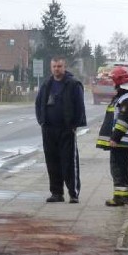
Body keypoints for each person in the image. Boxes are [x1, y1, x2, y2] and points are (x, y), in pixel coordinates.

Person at [34, 56, 87, 203]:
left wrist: (74, 125)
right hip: (49, 129)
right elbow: (38, 104)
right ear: (51, 68)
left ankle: (73, 193)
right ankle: (56, 193)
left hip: (66, 129)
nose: (56, 69)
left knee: (69, 161)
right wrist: (41, 121)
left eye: (59, 66)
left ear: (64, 67)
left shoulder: (73, 84)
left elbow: (79, 107)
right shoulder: (46, 84)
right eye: (54, 66)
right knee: (52, 161)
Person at [95, 66, 128, 206]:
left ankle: (120, 198)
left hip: (121, 142)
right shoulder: (123, 97)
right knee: (120, 169)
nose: (112, 83)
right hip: (121, 142)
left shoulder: (127, 99)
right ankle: (122, 197)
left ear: (119, 81)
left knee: (118, 169)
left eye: (113, 80)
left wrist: (115, 138)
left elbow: (123, 121)